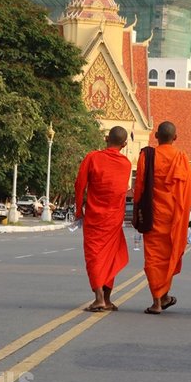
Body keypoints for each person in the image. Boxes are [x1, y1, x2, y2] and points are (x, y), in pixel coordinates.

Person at [135, 121, 191, 314]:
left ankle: (157, 301)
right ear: (175, 138)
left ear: (156, 137)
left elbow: (140, 187)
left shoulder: (147, 155)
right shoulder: (181, 157)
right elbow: (189, 192)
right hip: (174, 218)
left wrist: (137, 210)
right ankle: (163, 295)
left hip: (153, 215)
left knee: (153, 259)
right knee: (168, 257)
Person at [74, 126, 132, 312]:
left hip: (94, 216)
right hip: (114, 218)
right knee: (109, 257)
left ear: (107, 138)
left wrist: (78, 210)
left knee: (95, 257)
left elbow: (80, 185)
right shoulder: (126, 164)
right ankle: (106, 298)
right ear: (124, 144)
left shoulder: (92, 157)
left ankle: (99, 298)